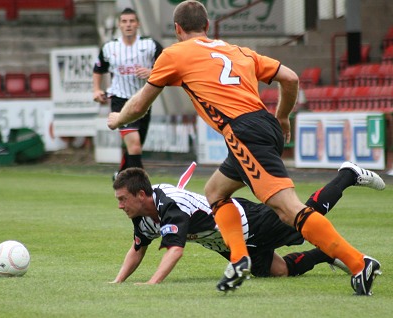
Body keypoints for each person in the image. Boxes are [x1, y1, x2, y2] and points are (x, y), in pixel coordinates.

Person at [107, 1, 383, 295]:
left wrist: (118, 118)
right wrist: (282, 117)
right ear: (207, 26)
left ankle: (357, 263)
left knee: (288, 210)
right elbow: (290, 78)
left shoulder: (174, 54)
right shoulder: (238, 51)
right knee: (215, 192)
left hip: (243, 133)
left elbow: (139, 104)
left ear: (177, 29)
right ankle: (239, 260)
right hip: (261, 126)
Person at [110, 162, 384, 286]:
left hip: (248, 222)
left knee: (305, 216)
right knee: (278, 272)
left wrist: (152, 282)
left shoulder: (170, 205)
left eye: (123, 199)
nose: (120, 205)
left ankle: (348, 175)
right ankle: (326, 252)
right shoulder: (143, 215)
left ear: (141, 195)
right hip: (231, 244)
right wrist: (118, 281)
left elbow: (175, 250)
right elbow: (138, 248)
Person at [93, 7, 163, 177]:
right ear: (119, 25)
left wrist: (150, 72)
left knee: (134, 148)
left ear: (138, 24)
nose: (128, 25)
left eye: (132, 21)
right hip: (120, 101)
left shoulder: (150, 45)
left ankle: (121, 176)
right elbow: (98, 69)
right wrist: (96, 90)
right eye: (124, 21)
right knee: (135, 146)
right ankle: (141, 187)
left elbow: (166, 67)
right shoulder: (110, 47)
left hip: (143, 100)